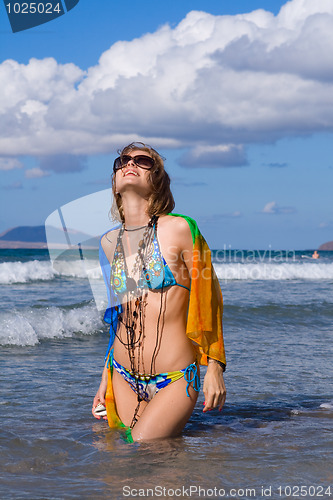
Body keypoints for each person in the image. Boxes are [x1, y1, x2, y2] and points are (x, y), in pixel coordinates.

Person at [92, 142, 226, 442]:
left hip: (175, 378)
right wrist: (104, 380)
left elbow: (210, 299)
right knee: (127, 463)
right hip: (122, 376)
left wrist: (215, 367)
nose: (130, 163)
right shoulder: (107, 242)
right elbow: (120, 317)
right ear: (114, 182)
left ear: (158, 180)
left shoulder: (180, 229)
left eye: (142, 161)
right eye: (123, 160)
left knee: (145, 446)